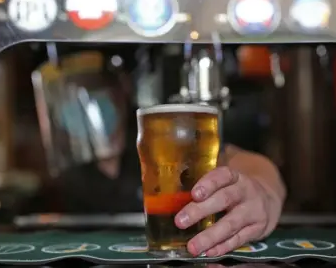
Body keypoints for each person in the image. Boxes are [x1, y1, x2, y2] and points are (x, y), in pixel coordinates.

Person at [40, 51, 286, 257]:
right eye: (70, 97)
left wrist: (265, 193)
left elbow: (245, 164)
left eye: (96, 90)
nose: (85, 106)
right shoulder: (68, 174)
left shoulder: (159, 138)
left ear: (121, 90)